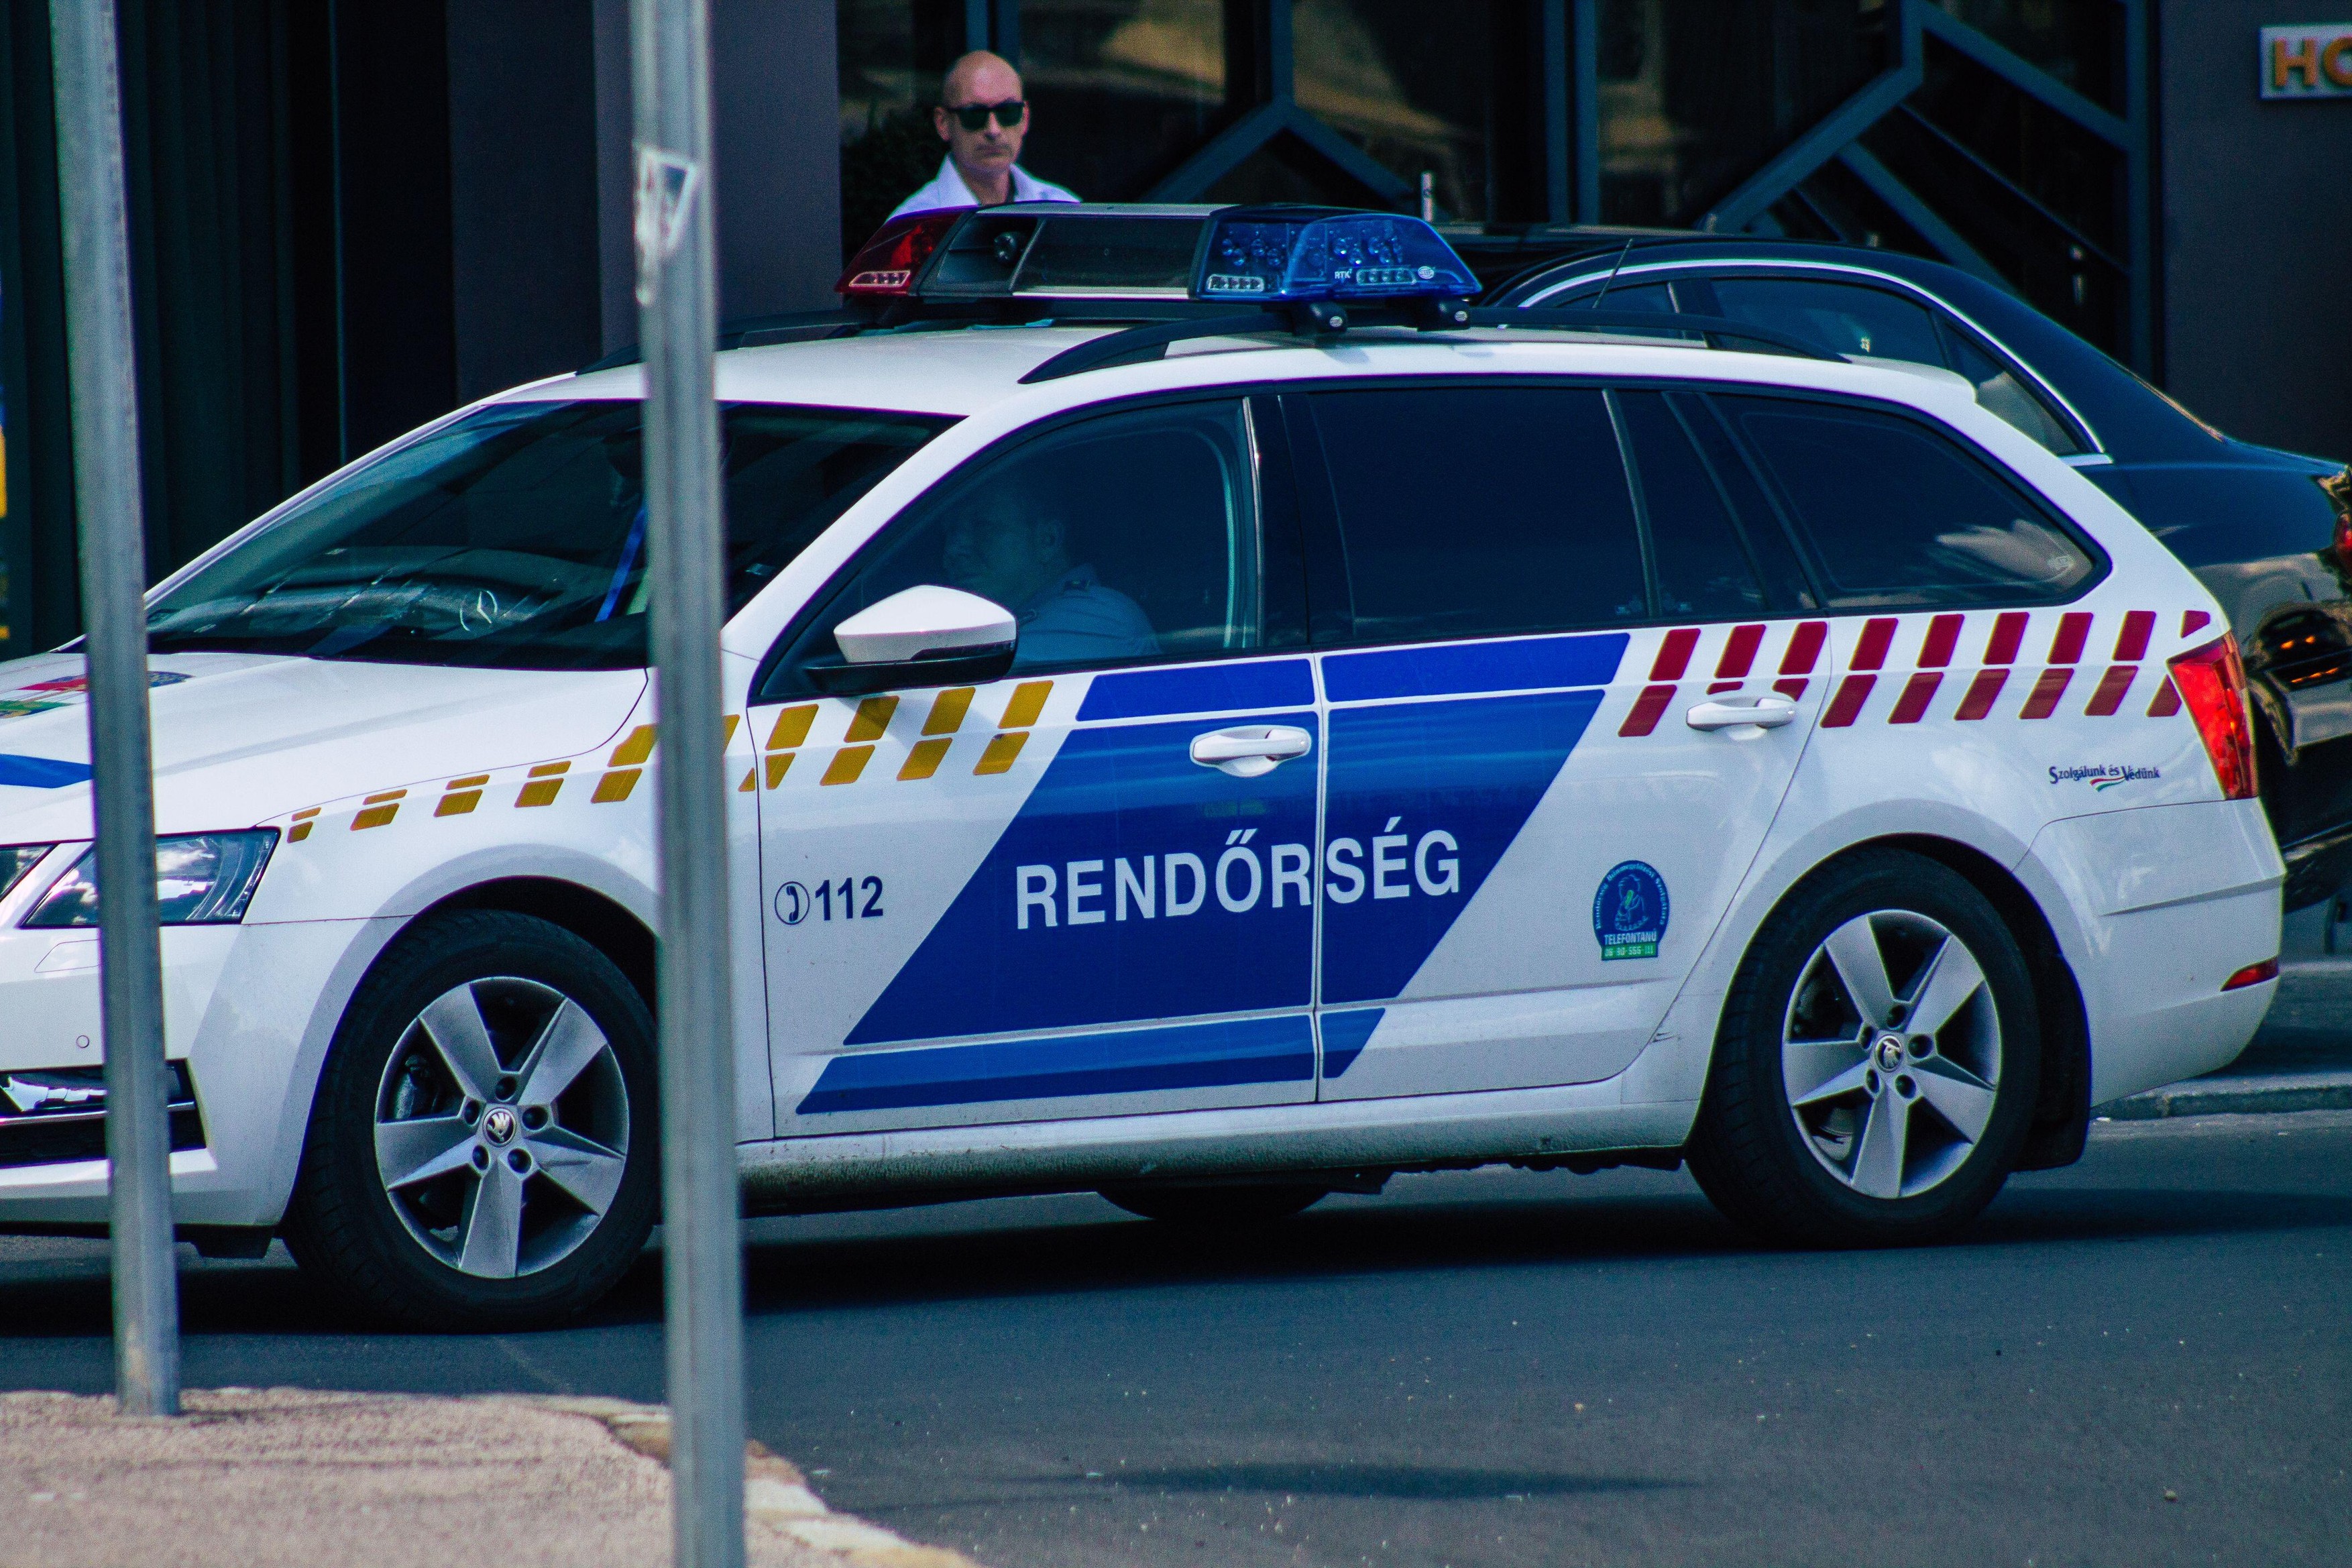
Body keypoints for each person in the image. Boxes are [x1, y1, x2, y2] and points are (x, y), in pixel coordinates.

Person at [941, 482, 1155, 668]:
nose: (954, 548)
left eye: (982, 526)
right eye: (950, 530)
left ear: (1047, 540)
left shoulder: (1095, 615)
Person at [889, 51, 1078, 221]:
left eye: (1008, 112)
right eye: (975, 114)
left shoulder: (1065, 212)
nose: (993, 130)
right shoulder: (911, 225)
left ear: (1025, 118)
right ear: (943, 124)